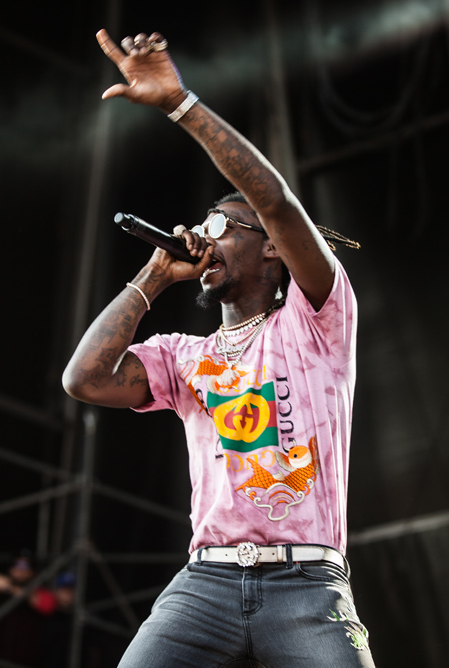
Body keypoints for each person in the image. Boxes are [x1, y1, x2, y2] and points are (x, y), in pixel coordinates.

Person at [62, 29, 375, 666]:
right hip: (206, 580)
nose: (203, 238)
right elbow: (84, 379)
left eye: (220, 226)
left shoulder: (317, 320)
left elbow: (275, 201)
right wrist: (154, 275)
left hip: (305, 584)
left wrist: (179, 105)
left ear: (271, 246)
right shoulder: (182, 356)